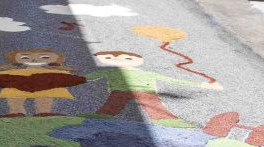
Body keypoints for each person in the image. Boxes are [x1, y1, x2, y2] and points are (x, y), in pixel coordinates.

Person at [86, 50, 222, 124]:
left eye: (128, 58)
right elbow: (90, 77)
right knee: (109, 109)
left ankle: (169, 121)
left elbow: (172, 80)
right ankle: (97, 117)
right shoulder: (110, 71)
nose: (119, 60)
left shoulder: (146, 73)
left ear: (139, 60)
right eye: (108, 58)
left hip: (146, 92)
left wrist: (201, 84)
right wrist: (73, 78)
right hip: (121, 91)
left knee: (158, 112)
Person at [0, 49, 87, 117]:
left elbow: (67, 77)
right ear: (16, 59)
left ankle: (44, 112)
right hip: (20, 83)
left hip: (45, 85)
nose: (34, 60)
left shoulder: (53, 72)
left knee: (44, 96)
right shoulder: (15, 72)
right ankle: (15, 112)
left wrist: (82, 79)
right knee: (14, 96)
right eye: (25, 57)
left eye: (44, 57)